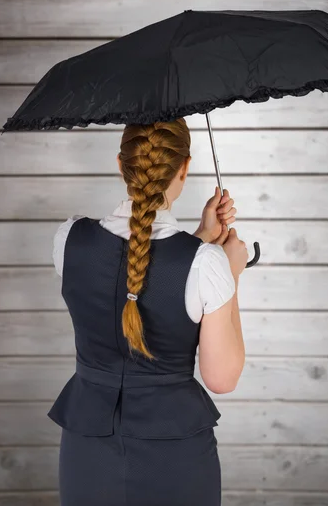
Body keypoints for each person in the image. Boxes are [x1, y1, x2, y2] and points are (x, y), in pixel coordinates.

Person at [49, 117, 248, 506]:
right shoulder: (206, 265)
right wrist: (229, 272)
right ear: (184, 169)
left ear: (121, 164)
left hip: (87, 453)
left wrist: (201, 242)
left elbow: (129, 276)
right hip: (174, 459)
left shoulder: (68, 240)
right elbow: (222, 378)